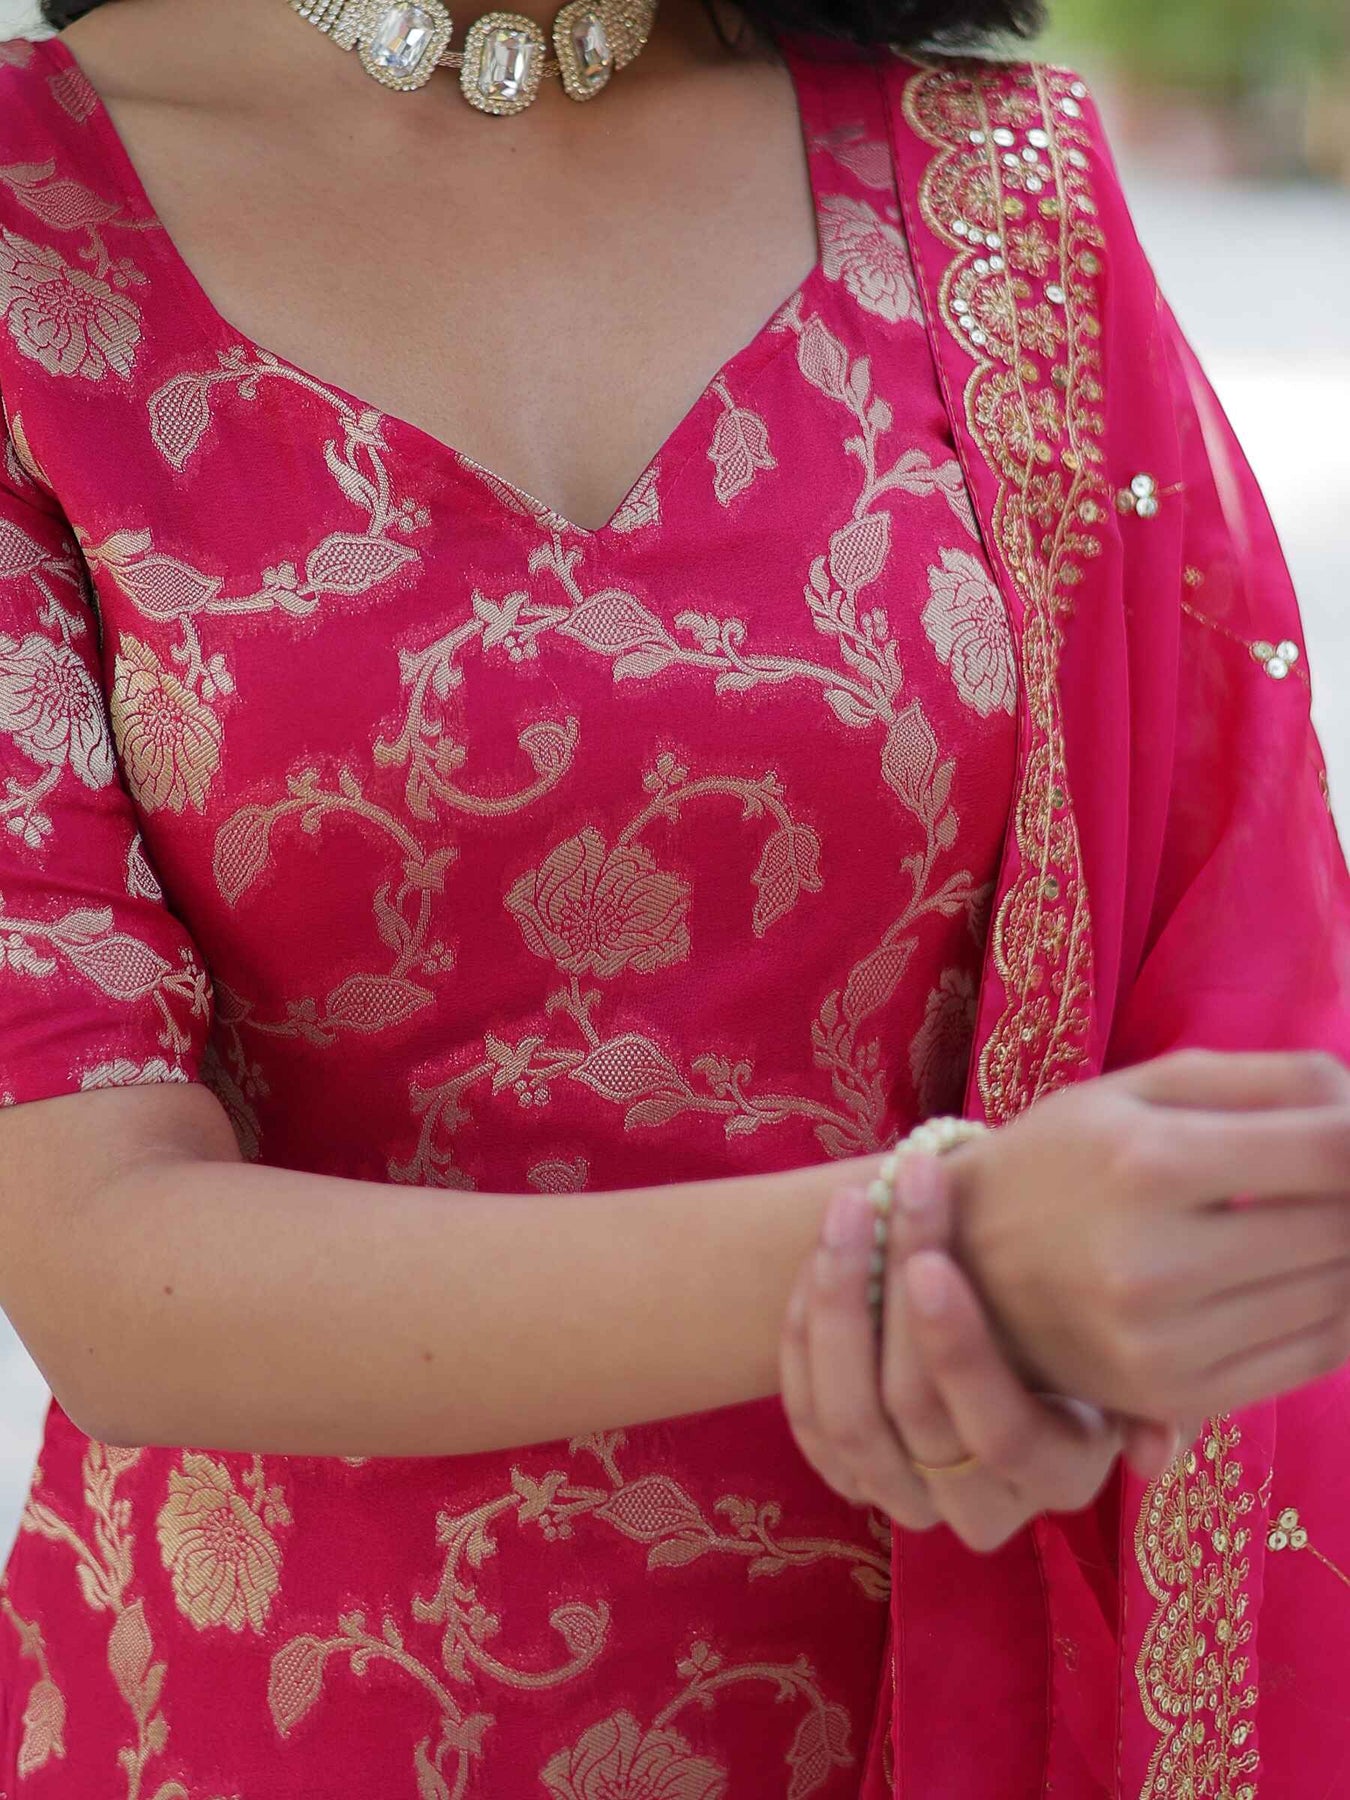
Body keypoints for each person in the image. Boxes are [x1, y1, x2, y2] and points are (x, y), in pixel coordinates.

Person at [0, 0, 1345, 1792]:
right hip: (273, 1713)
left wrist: (1130, 1261)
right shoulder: (33, 220)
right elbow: (102, 1266)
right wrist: (942, 1254)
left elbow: (1237, 986)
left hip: (965, 1687)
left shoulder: (992, 188)